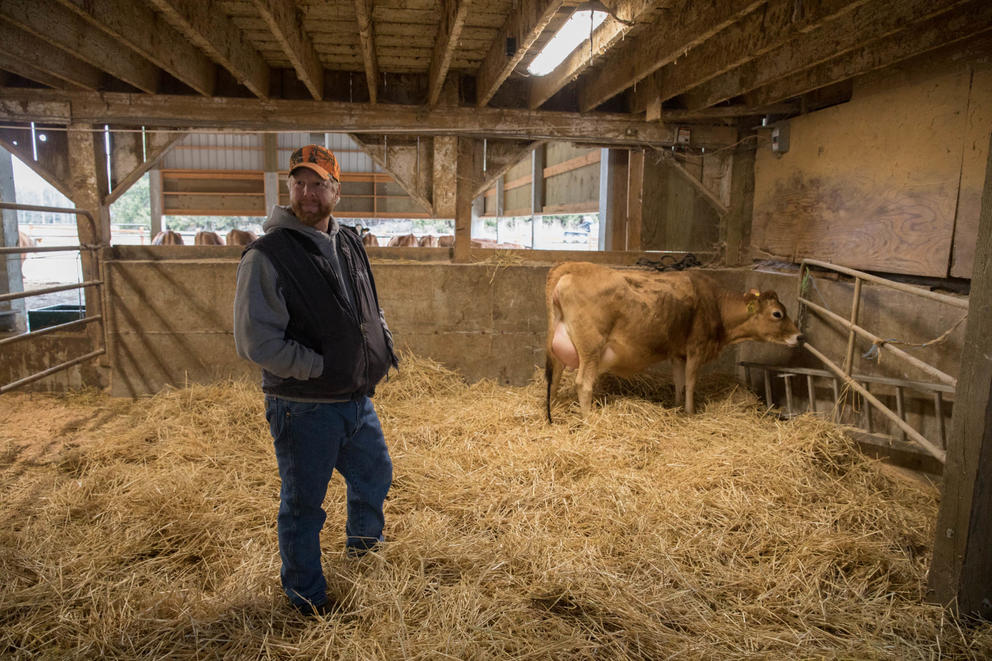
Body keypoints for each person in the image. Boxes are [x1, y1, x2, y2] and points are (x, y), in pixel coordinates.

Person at [233, 144, 398, 616]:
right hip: (303, 404)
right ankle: (306, 597)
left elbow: (369, 303)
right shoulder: (267, 256)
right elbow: (255, 343)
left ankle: (365, 555)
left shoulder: (348, 242)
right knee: (304, 505)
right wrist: (317, 368)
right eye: (299, 183)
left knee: (374, 474)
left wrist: (379, 341)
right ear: (288, 188)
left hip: (354, 397)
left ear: (336, 191)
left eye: (318, 183)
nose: (308, 193)